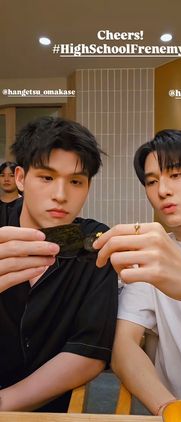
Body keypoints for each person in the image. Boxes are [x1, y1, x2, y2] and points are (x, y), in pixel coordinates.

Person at [94, 129, 181, 415]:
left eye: (175, 174)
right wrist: (169, 408)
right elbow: (124, 348)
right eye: (151, 181)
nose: (162, 190)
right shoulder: (152, 253)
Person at [0, 116, 118, 412]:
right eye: (47, 177)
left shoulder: (95, 243)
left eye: (76, 181)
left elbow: (90, 351)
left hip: (53, 411)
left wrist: (5, 403)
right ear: (20, 178)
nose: (61, 195)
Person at [0, 161, 21, 226]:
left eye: (11, 176)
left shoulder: (25, 205)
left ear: (19, 178)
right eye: (2, 175)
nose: (6, 179)